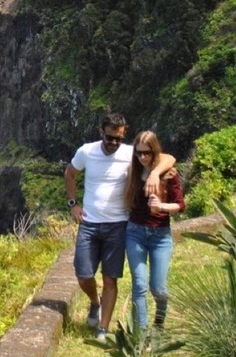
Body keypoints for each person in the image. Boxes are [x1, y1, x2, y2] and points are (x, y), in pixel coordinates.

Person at [64, 113, 175, 341]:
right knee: (84, 275)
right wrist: (73, 204)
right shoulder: (87, 151)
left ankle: (103, 329)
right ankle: (96, 302)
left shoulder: (129, 153)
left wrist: (154, 173)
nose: (114, 142)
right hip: (89, 223)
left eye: (118, 138)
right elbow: (70, 173)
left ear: (124, 135)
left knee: (110, 278)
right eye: (109, 137)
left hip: (118, 225)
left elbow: (168, 158)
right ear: (100, 132)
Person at [124, 130, 185, 337]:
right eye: (139, 153)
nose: (143, 157)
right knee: (139, 285)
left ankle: (159, 324)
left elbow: (180, 205)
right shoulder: (133, 172)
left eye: (147, 153)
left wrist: (162, 206)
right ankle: (140, 334)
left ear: (154, 151)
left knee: (158, 288)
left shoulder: (169, 174)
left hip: (160, 235)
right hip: (135, 233)